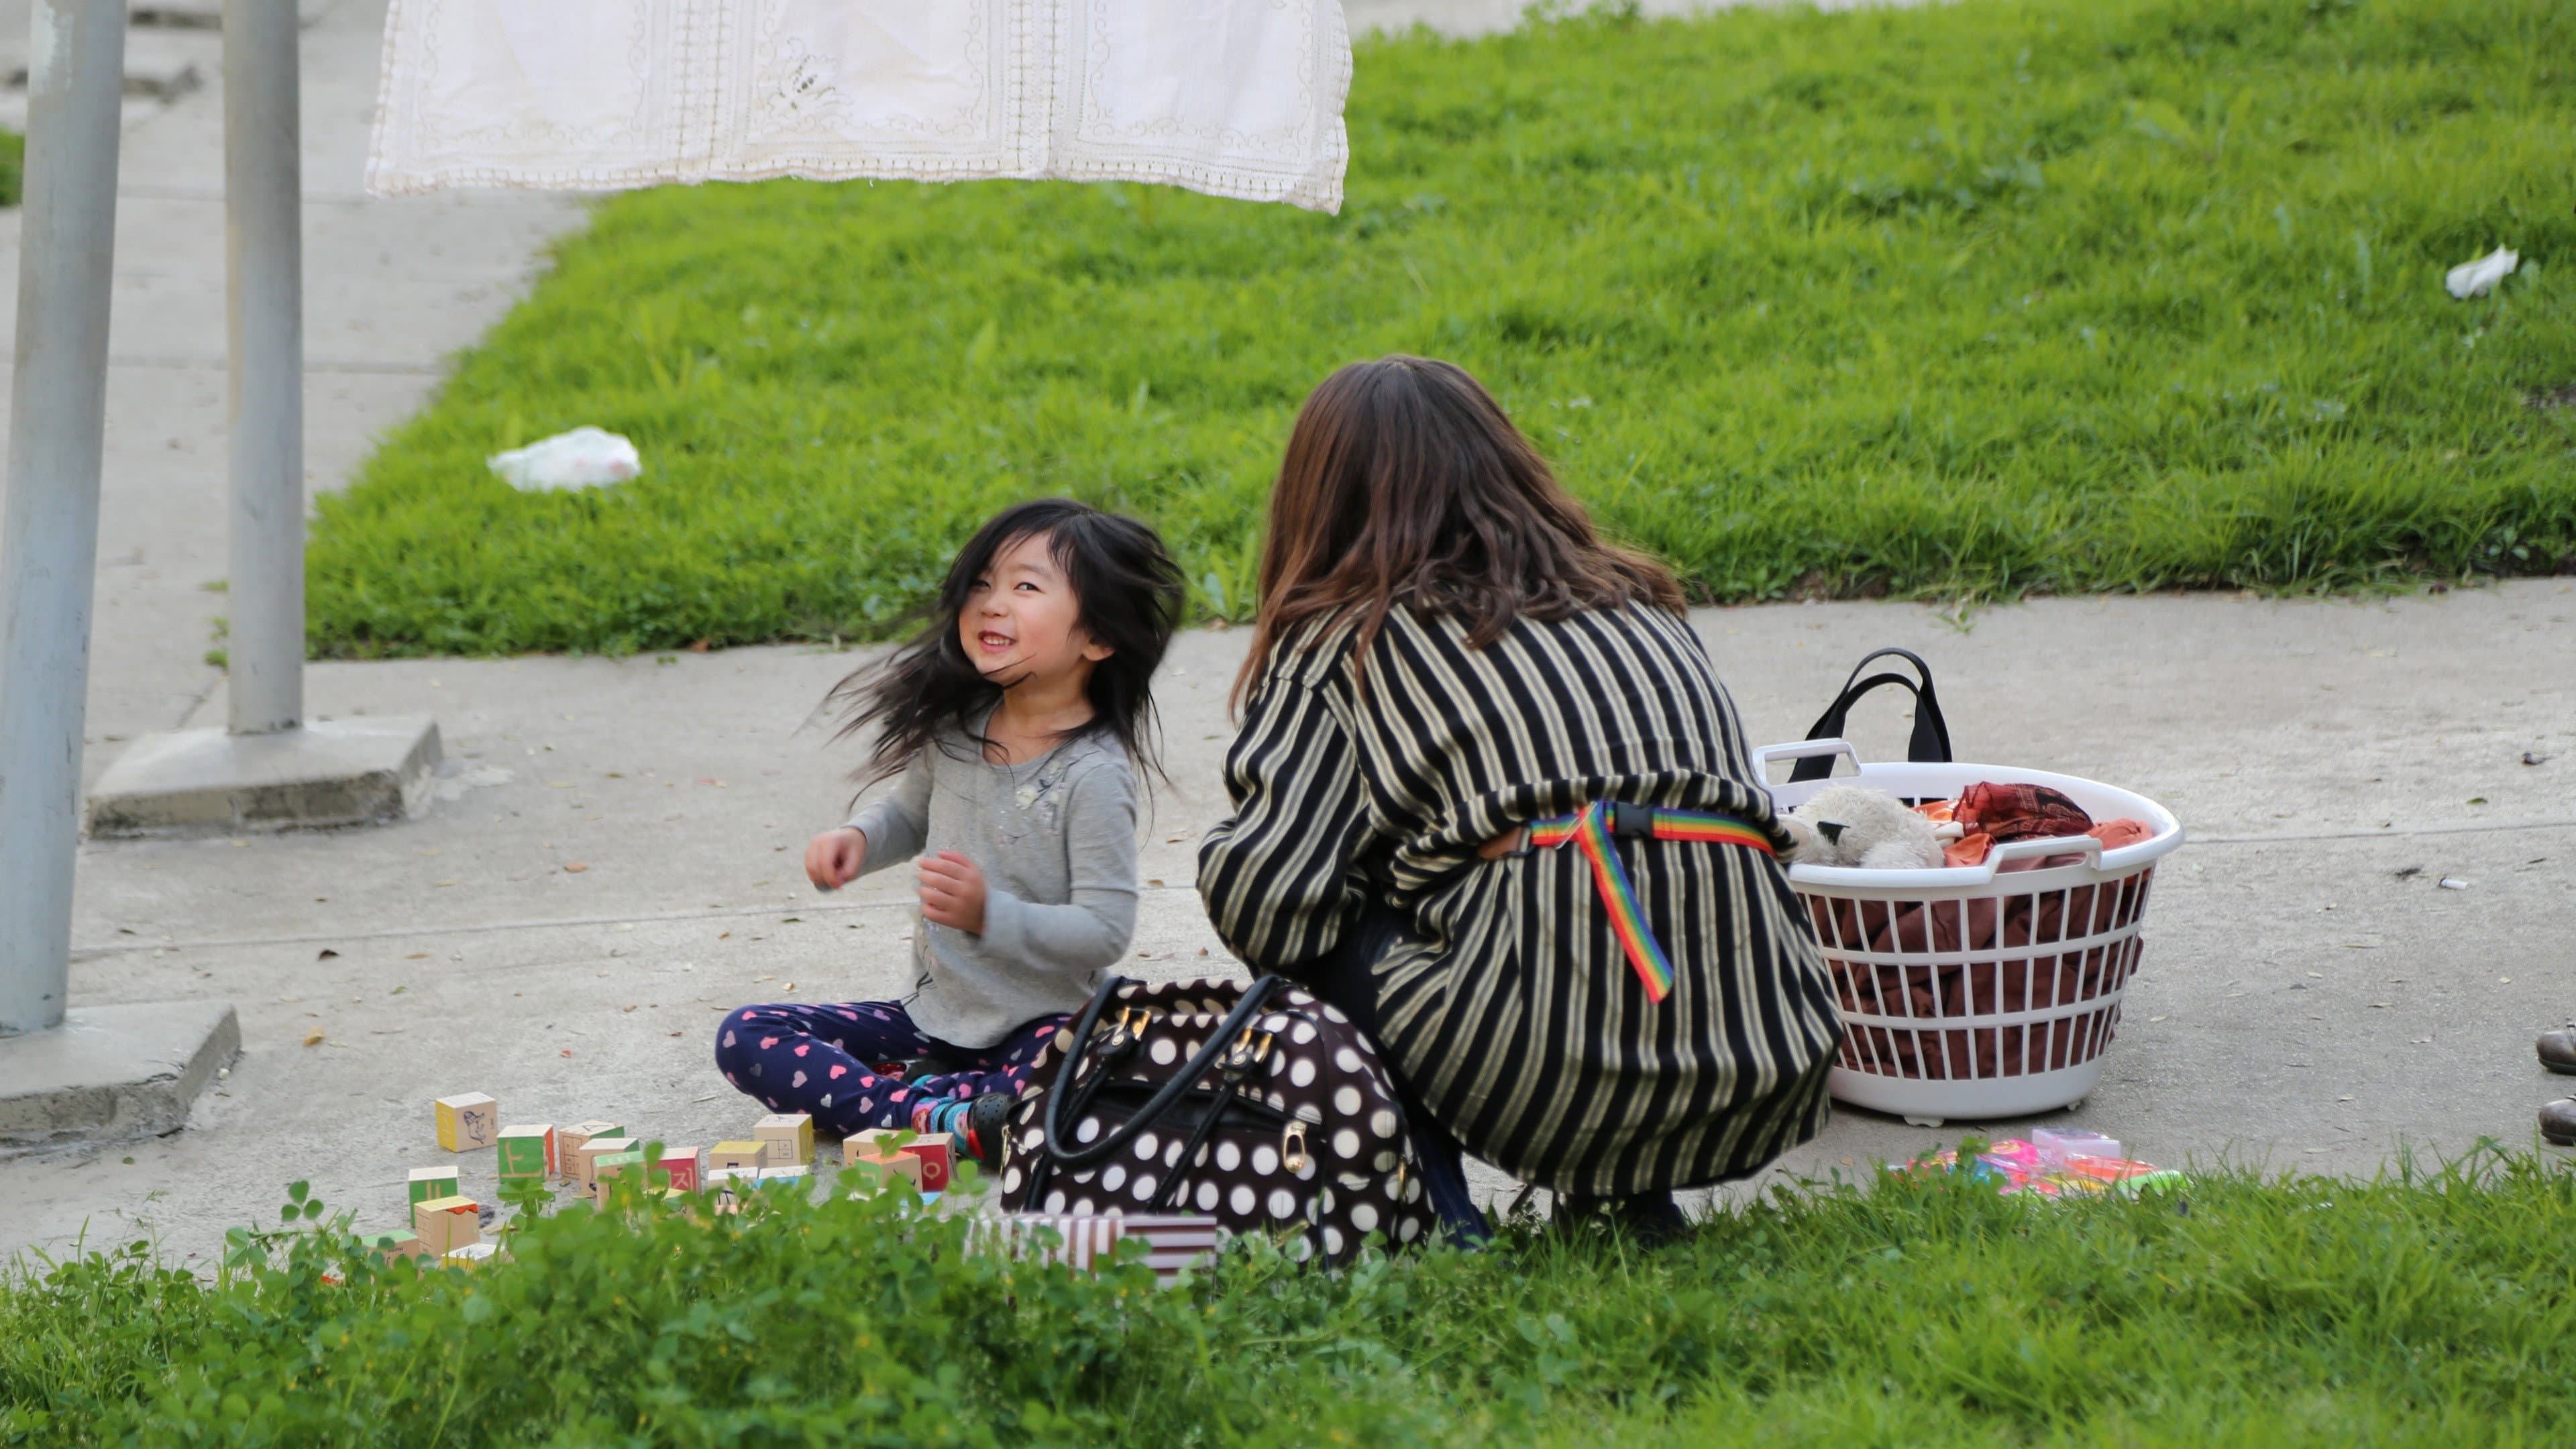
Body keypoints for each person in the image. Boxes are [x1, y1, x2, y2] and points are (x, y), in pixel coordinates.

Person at [1197, 356, 1845, 1242]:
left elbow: (1270, 900)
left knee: (1335, 900)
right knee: (1572, 865)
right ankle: (1630, 1206)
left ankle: (1438, 1218)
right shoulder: (1641, 603)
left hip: (1554, 1073)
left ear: (1318, 499)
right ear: (1506, 463)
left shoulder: (1349, 639)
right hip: (1772, 1049)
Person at [715, 499, 1185, 1167]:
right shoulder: (957, 729)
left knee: (1082, 1079)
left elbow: (1104, 931)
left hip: (1041, 1028)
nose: (992, 603)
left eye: (1026, 587)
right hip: (930, 1019)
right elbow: (909, 816)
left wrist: (991, 914)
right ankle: (938, 1112)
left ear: (1099, 638)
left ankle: (921, 1103)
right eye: (983, 583)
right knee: (747, 1034)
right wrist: (858, 840)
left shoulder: (1092, 774)